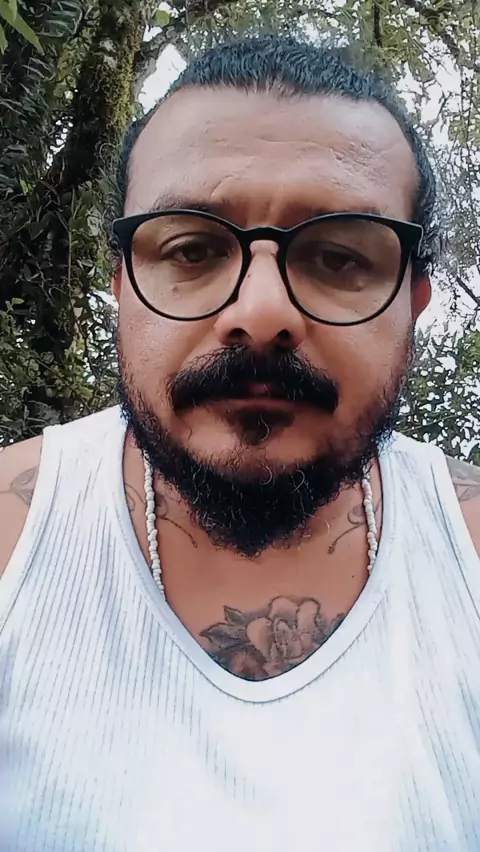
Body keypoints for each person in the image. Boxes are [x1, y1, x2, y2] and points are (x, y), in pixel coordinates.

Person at [1, 33, 479, 852]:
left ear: (415, 303)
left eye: (339, 257)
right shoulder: (12, 538)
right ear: (120, 288)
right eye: (191, 249)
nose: (259, 314)